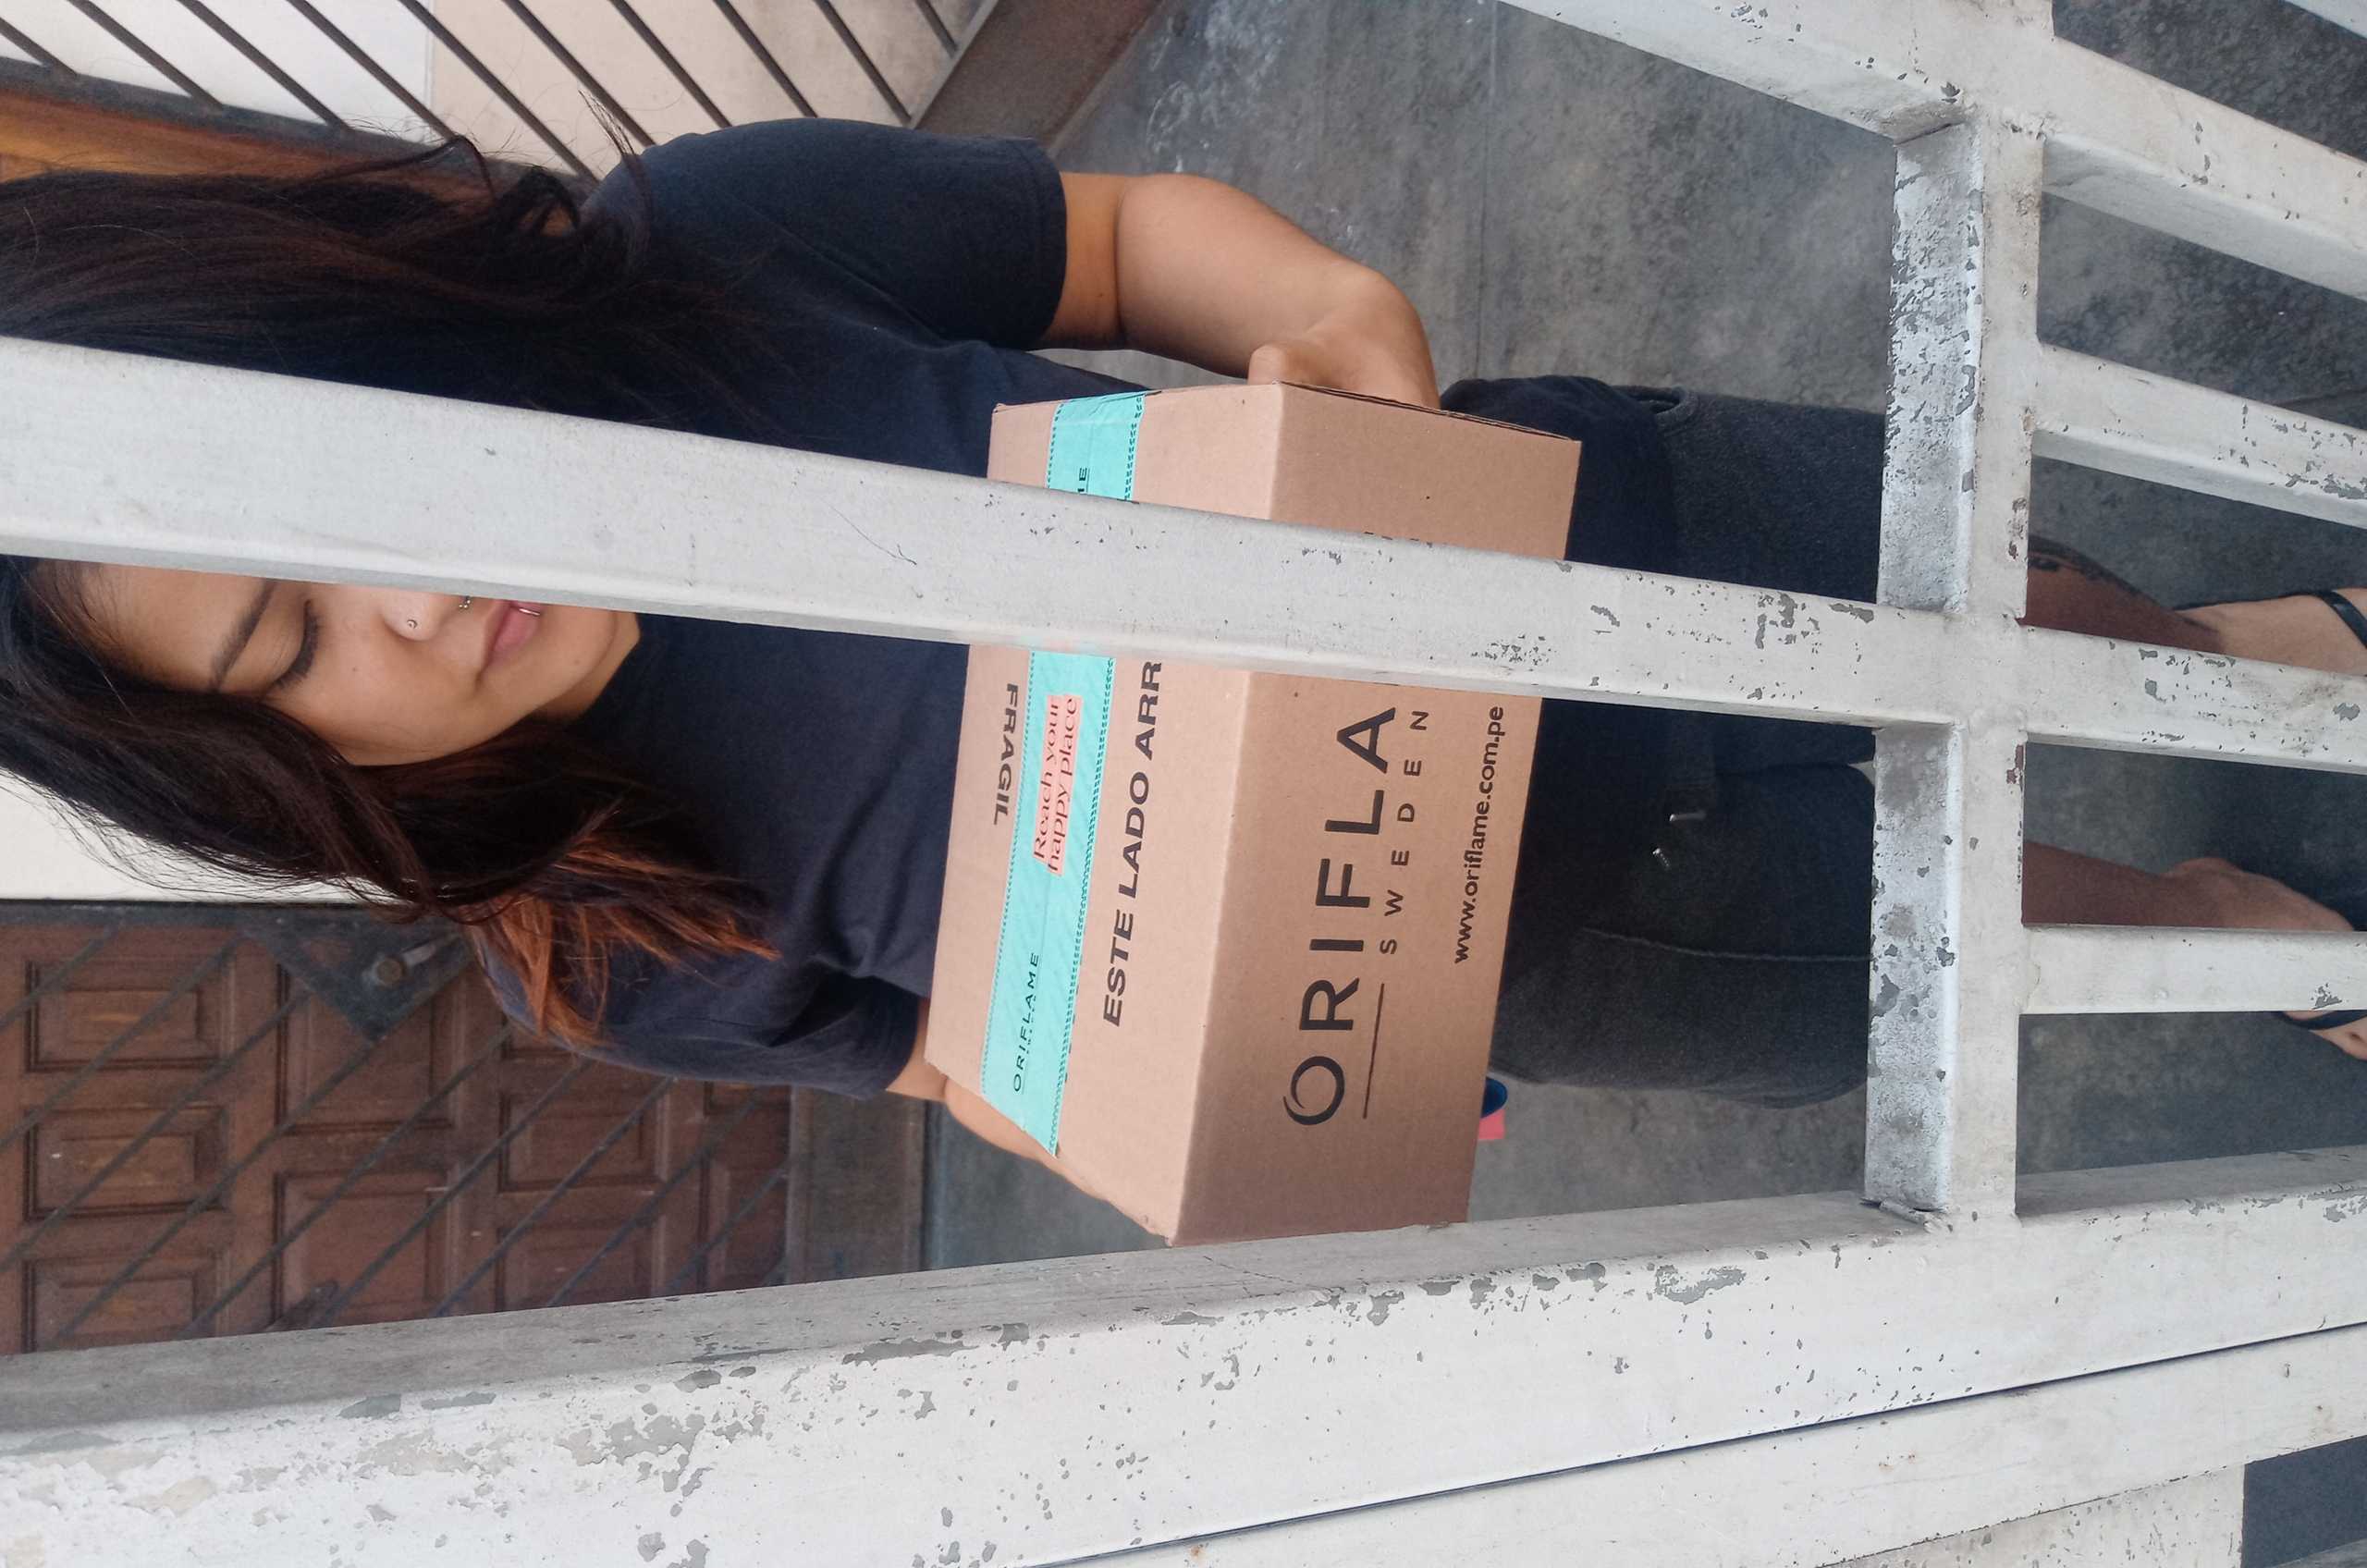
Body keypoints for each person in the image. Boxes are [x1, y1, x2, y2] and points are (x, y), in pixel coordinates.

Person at [0, 119, 2357, 1179]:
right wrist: (1202, 1094)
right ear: (251, 767)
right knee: (1995, 937)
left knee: (2031, 604)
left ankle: (2232, 657)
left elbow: (1121, 240)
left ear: (378, 330)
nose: (418, 600)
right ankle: (2229, 921)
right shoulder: (605, 937)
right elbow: (947, 1067)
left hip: (1583, 529)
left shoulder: (700, 260)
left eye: (368, 487)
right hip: (1566, 939)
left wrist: (1328, 325)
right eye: (292, 636)